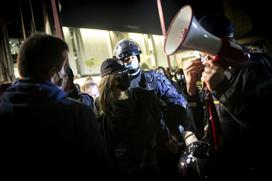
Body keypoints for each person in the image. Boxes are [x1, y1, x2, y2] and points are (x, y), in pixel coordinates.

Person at [0, 33, 112, 176]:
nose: (66, 75)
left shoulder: (4, 109)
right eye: (64, 67)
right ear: (54, 72)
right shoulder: (77, 114)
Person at [182, 14, 272, 179]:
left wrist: (222, 89)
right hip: (224, 164)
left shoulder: (256, 67)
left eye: (207, 54)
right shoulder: (214, 72)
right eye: (202, 55)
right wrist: (191, 92)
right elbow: (201, 126)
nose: (205, 60)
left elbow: (262, 126)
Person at [113, 39, 191, 173]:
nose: (129, 61)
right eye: (125, 59)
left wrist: (176, 131)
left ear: (137, 57)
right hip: (136, 149)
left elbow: (178, 103)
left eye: (131, 57)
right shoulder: (116, 86)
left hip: (163, 139)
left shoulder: (154, 78)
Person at [97, 58, 178, 176]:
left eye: (124, 72)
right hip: (124, 169)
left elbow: (158, 123)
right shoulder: (101, 108)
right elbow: (105, 145)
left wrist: (168, 141)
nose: (124, 76)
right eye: (118, 74)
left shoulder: (144, 97)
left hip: (151, 164)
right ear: (108, 80)